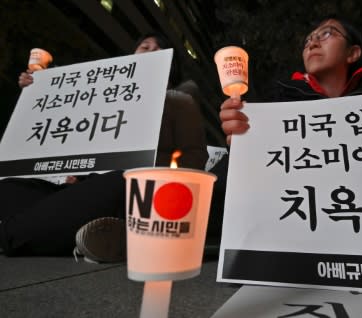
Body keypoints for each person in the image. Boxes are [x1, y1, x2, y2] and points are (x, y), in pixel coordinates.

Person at [0, 32, 208, 261]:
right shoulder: (102, 95)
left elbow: (194, 154)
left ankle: (19, 234)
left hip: (136, 187)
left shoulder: (180, 100)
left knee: (122, 181)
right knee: (9, 189)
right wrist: (39, 88)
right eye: (144, 47)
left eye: (159, 48)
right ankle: (88, 234)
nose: (150, 51)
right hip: (84, 185)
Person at [219, 14, 362, 145]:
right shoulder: (277, 100)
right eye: (308, 40)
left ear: (352, 53)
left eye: (326, 34)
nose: (312, 43)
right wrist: (243, 141)